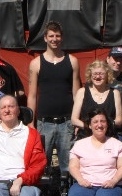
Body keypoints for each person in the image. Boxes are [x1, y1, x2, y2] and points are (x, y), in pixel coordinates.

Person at [27, 20, 81, 174]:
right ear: (45, 38)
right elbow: (31, 95)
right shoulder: (36, 63)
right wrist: (31, 122)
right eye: (51, 36)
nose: (54, 39)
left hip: (67, 122)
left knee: (68, 167)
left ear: (61, 38)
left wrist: (77, 121)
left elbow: (77, 93)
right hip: (44, 123)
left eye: (57, 36)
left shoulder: (72, 61)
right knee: (41, 166)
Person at [70, 60, 122, 136]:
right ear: (90, 75)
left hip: (108, 136)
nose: (98, 77)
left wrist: (103, 127)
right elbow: (74, 120)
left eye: (101, 74)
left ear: (107, 75)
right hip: (86, 136)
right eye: (95, 74)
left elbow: (119, 121)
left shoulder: (115, 93)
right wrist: (90, 127)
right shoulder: (82, 92)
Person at [0, 31, 26, 104]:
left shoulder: (8, 68)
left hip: (4, 110)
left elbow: (20, 91)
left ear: (0, 46)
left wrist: (9, 101)